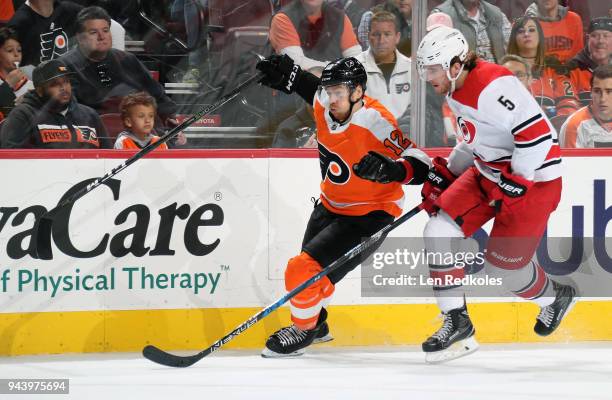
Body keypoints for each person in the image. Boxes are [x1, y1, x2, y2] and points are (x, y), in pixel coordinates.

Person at [414, 26, 575, 362]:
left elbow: (538, 135)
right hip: (489, 172)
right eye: (425, 68)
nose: (427, 76)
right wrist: (450, 171)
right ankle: (456, 320)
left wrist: (519, 179)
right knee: (438, 230)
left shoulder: (493, 85)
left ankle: (555, 297)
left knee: (507, 270)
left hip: (536, 182)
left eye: (432, 68)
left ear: (455, 65)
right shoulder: (455, 89)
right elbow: (473, 139)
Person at [255, 54, 431, 357]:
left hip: (369, 216)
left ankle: (303, 330)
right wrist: (290, 73)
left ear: (358, 92)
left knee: (301, 271)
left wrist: (394, 171)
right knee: (309, 278)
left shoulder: (375, 122)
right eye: (330, 91)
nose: (332, 98)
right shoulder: (325, 102)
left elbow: (423, 163)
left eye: (339, 92)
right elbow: (311, 89)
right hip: (329, 206)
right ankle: (318, 323)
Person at [59, 6, 181, 136]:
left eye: (106, 31)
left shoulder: (127, 59)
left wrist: (169, 117)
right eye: (94, 32)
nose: (102, 37)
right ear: (80, 38)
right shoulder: (65, 66)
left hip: (141, 134)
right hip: (95, 135)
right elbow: (70, 111)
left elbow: (157, 94)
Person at [1, 59, 108, 148]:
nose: (63, 88)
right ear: (40, 90)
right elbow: (10, 159)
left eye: (66, 81)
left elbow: (108, 157)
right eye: (55, 84)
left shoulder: (90, 115)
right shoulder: (23, 115)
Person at [505, 16, 580, 118]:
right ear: (513, 38)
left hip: (553, 127)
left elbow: (569, 104)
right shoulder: (505, 71)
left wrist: (553, 120)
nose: (526, 34)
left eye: (531, 30)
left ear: (540, 36)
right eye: (521, 31)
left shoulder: (555, 68)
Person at [355, 11, 411, 133]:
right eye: (376, 34)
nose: (382, 40)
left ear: (397, 37)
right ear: (369, 36)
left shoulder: (411, 69)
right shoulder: (355, 68)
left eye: (387, 34)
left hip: (406, 139)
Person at [268, 0, 362, 70]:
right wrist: (340, 68)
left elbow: (357, 59)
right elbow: (297, 64)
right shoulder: (283, 19)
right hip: (297, 92)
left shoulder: (340, 17)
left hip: (336, 90)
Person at [431, 0, 512, 64]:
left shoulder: (497, 14)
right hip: (463, 81)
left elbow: (511, 51)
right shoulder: (441, 15)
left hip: (495, 79)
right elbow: (437, 60)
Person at [7, 0, 82, 67]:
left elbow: (91, 18)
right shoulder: (19, 24)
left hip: (71, 75)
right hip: (38, 79)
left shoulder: (68, 9)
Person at [560, 65, 612, 148]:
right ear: (591, 92)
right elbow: (572, 161)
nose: (602, 99)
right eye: (597, 91)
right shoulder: (574, 125)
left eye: (609, 91)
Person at [567, 17, 612, 107]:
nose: (600, 41)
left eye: (606, 36)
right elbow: (568, 107)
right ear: (587, 39)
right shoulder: (570, 70)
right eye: (595, 35)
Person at [0, 27, 33, 120]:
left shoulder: (30, 77)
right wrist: (8, 85)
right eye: (10, 50)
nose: (16, 55)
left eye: (19, 50)